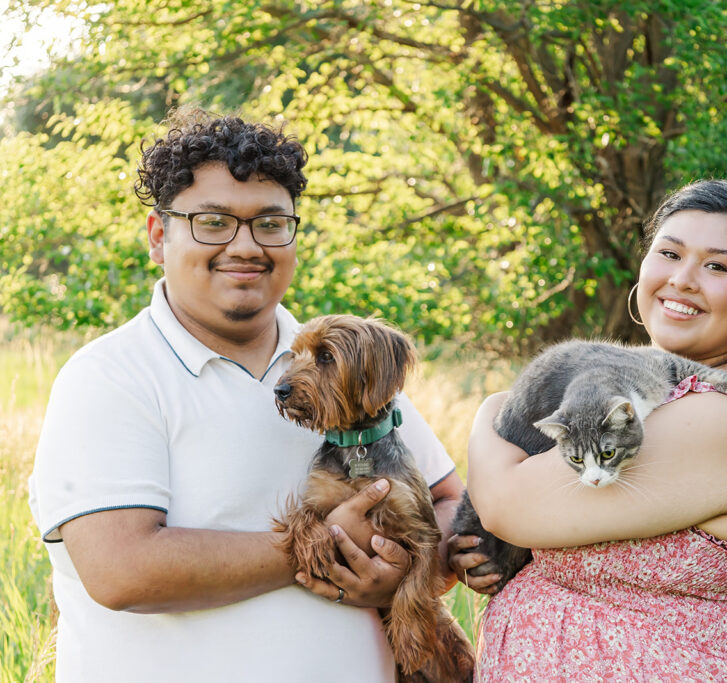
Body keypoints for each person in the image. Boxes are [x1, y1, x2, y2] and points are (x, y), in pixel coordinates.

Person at [28, 107, 465, 682]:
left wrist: (406, 571)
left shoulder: (343, 366)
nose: (245, 245)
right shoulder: (110, 377)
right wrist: (327, 545)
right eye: (212, 222)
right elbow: (122, 570)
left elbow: (448, 503)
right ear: (160, 237)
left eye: (269, 223)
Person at [448, 179, 727, 681]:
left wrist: (491, 410)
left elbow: (506, 503)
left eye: (717, 266)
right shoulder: (665, 399)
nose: (683, 280)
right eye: (669, 254)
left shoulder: (722, 418)